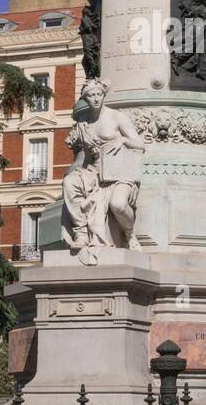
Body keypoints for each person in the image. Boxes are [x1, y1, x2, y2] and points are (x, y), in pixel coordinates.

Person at [62, 78, 145, 265]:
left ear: (104, 95)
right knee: (69, 183)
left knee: (118, 204)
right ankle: (81, 233)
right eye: (91, 96)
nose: (96, 99)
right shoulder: (84, 123)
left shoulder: (116, 117)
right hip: (95, 171)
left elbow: (140, 144)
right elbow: (86, 156)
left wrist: (123, 141)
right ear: (85, 98)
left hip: (119, 171)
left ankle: (130, 234)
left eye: (99, 94)